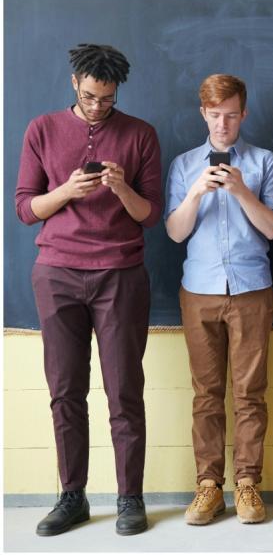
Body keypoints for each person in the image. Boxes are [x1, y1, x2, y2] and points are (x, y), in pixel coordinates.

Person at [15, 43, 161, 536]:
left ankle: (129, 498)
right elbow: (24, 207)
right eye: (92, 95)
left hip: (120, 273)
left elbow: (151, 215)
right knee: (65, 392)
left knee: (124, 391)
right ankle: (72, 496)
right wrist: (66, 193)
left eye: (108, 97)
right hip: (56, 273)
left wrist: (121, 189)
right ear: (74, 82)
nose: (99, 106)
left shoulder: (140, 134)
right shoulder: (42, 129)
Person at [164, 74, 273, 525]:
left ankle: (249, 484)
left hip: (253, 289)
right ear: (203, 113)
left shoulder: (263, 162)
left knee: (250, 394)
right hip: (199, 289)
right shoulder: (183, 165)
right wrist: (197, 190)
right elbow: (176, 232)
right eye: (215, 115)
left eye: (231, 115)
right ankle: (209, 486)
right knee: (206, 394)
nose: (222, 124)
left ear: (244, 113)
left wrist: (239, 189)